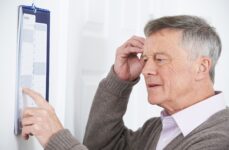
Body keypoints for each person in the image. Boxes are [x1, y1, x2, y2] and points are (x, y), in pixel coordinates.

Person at [21, 15, 229, 150]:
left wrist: (57, 139)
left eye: (160, 59)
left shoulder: (219, 139)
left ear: (201, 67)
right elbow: (100, 146)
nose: (146, 70)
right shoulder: (159, 128)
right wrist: (119, 81)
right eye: (145, 59)